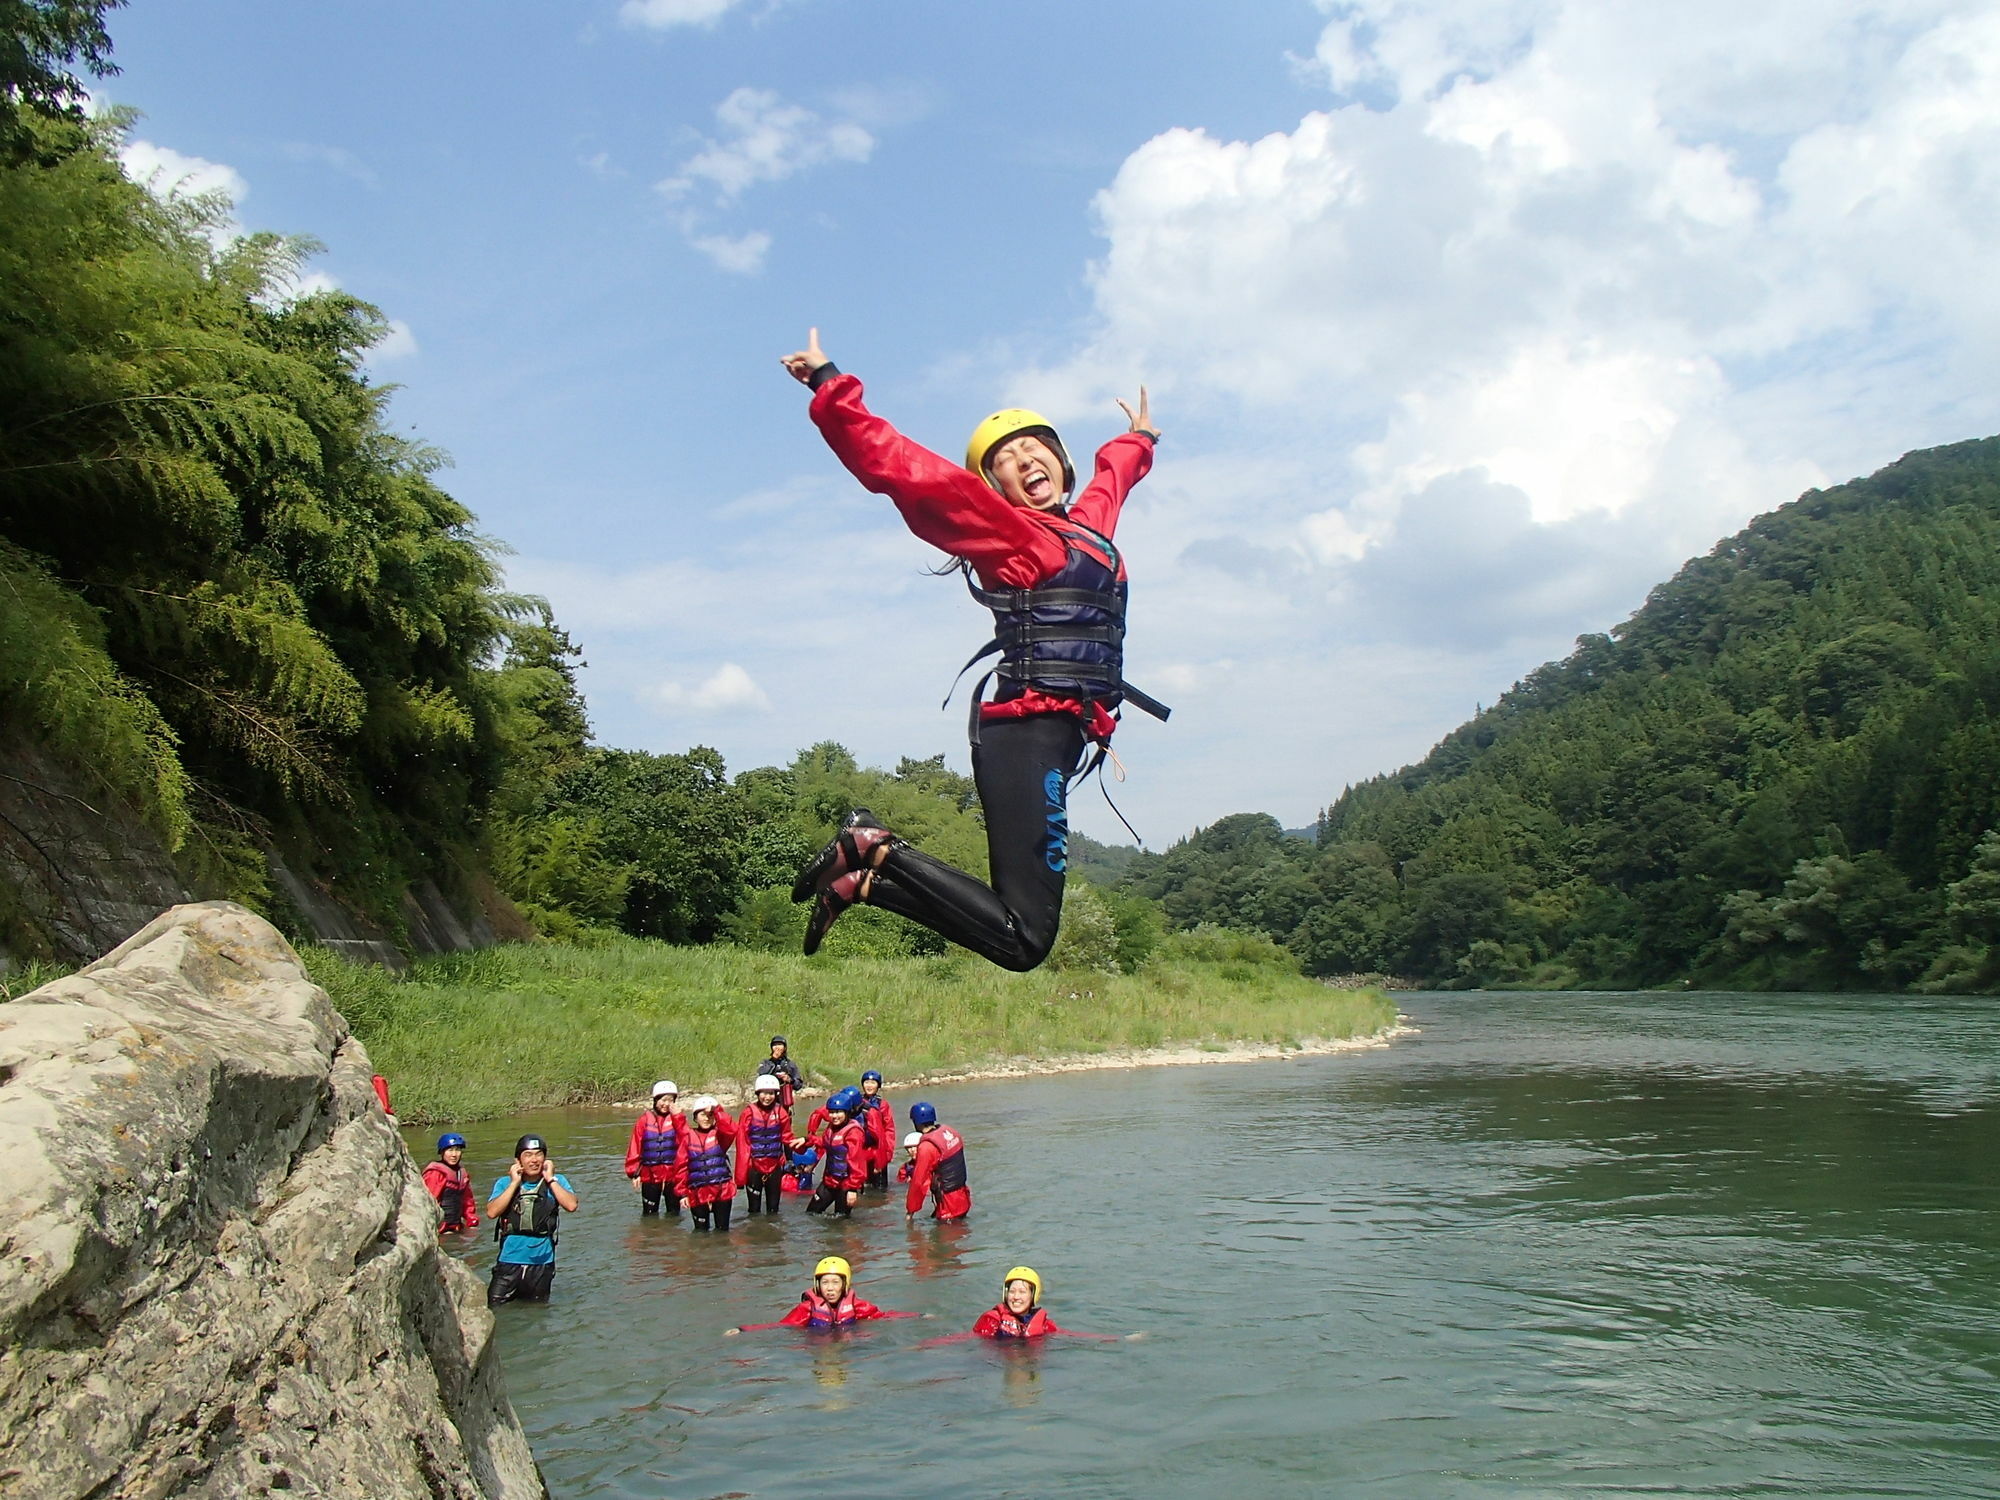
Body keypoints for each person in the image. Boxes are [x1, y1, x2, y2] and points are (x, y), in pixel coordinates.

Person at [781, 329, 1167, 970]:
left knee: (1021, 939)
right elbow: (900, 468)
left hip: (1059, 733)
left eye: (1035, 448)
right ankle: (872, 845)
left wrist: (1139, 442)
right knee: (1026, 940)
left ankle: (869, 878)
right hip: (1027, 731)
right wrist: (831, 385)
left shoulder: (1085, 536)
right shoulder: (1012, 536)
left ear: (1059, 461)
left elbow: (1111, 486)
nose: (1025, 460)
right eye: (1007, 460)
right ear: (997, 490)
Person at [485, 1134, 578, 1306]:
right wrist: (514, 1183)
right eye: (528, 1155)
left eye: (538, 1154)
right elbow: (492, 1212)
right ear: (518, 1160)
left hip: (542, 1263)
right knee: (495, 1307)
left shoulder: (557, 1181)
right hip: (509, 1261)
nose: (534, 1160)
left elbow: (571, 1205)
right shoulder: (504, 1183)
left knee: (536, 1313)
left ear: (545, 1158)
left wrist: (550, 1179)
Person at [725, 1256, 919, 1333]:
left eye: (835, 1283)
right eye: (825, 1283)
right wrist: (743, 1329)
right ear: (817, 1285)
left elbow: (883, 1316)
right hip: (816, 1346)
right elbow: (781, 1326)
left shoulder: (857, 1306)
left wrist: (917, 1316)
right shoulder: (807, 1308)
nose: (830, 1288)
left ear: (845, 1284)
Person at [972, 1267, 1116, 1340]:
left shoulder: (1044, 1324)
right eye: (1012, 1291)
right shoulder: (992, 1320)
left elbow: (1071, 1336)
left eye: (1022, 1292)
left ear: (1033, 1295)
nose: (1016, 1297)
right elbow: (971, 1339)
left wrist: (1113, 1339)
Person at [804, 1085, 869, 1217]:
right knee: (811, 1213)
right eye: (832, 1112)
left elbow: (856, 1162)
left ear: (847, 1112)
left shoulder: (853, 1132)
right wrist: (807, 1140)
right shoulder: (831, 1128)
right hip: (829, 1182)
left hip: (845, 1185)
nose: (834, 1116)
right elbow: (826, 1143)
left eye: (839, 1112)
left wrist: (852, 1189)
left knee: (841, 1221)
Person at [676, 1095, 738, 1232]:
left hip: (722, 1191)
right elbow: (681, 1167)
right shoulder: (688, 1138)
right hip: (697, 1192)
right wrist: (682, 1194)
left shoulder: (721, 1136)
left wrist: (718, 1110)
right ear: (695, 1117)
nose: (706, 1119)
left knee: (722, 1231)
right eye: (702, 1115)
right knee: (700, 1232)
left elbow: (731, 1129)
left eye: (710, 1115)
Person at [624, 1079, 684, 1217]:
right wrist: (635, 1173)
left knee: (674, 1215)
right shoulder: (644, 1120)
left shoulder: (678, 1119)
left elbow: (685, 1142)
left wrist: (679, 1118)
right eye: (663, 1100)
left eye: (670, 1100)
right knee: (649, 1214)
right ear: (656, 1100)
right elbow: (635, 1146)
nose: (666, 1104)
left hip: (672, 1175)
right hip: (650, 1175)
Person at [735, 1074, 794, 1214]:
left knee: (773, 1210)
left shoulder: (781, 1113)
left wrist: (792, 1159)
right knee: (754, 1210)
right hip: (754, 1166)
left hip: (774, 1166)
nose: (767, 1097)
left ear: (776, 1094)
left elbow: (787, 1137)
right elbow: (742, 1143)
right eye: (764, 1093)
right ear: (757, 1093)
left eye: (771, 1093)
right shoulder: (748, 1113)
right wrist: (740, 1176)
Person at [904, 1101, 971, 1222]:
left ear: (915, 1122)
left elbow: (919, 1182)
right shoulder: (950, 1132)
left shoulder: (927, 1147)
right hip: (963, 1198)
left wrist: (910, 1210)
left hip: (948, 1206)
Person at [422, 1132, 479, 1234]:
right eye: (450, 1150)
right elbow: (428, 1203)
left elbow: (468, 1201)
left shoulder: (462, 1174)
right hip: (440, 1229)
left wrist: (472, 1221)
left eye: (457, 1150)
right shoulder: (435, 1173)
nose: (454, 1154)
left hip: (456, 1227)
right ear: (442, 1152)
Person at [856, 1069, 896, 1190]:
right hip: (861, 1150)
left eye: (873, 1083)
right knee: (860, 1185)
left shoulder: (883, 1105)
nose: (869, 1085)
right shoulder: (856, 1102)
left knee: (880, 1187)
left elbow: (889, 1129)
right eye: (866, 1082)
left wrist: (887, 1154)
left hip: (878, 1150)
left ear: (878, 1085)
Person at [757, 1035, 805, 1108]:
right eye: (774, 1045)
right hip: (767, 1100)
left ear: (784, 1048)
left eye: (779, 1044)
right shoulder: (765, 1063)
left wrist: (789, 1079)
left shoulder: (790, 1064)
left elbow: (799, 1085)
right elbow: (761, 1075)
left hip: (784, 1101)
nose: (777, 1047)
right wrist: (773, 1060)